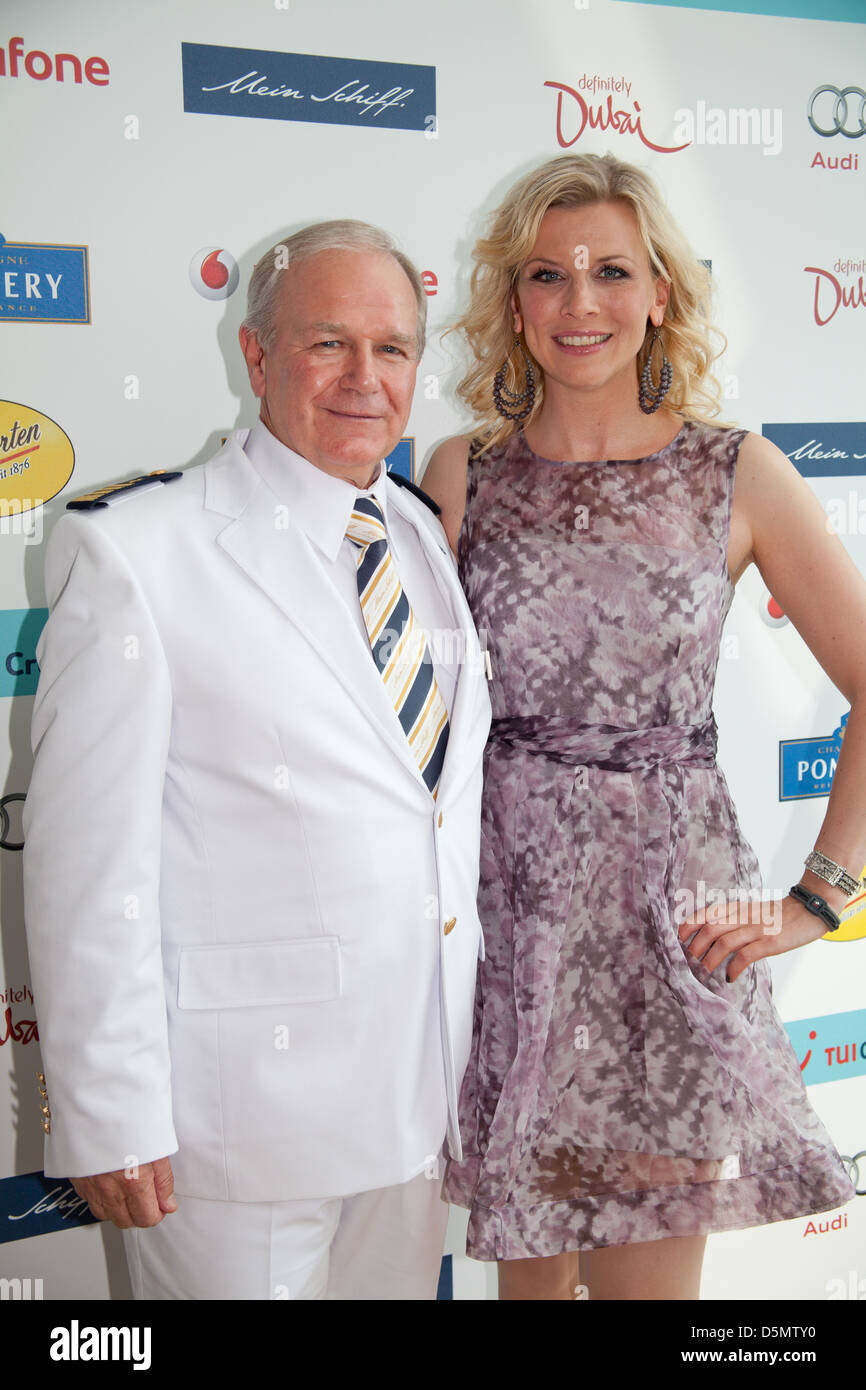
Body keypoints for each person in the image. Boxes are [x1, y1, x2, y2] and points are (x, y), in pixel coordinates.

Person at [23, 219, 492, 1301]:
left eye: (392, 350)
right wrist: (108, 1107)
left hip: (417, 1102)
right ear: (257, 357)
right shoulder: (140, 550)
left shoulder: (420, 536)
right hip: (230, 1127)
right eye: (327, 343)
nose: (363, 379)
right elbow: (90, 863)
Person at [422, 154, 861, 1301]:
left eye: (611, 271)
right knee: (527, 1289)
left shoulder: (736, 471)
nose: (580, 304)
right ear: (510, 301)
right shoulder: (460, 475)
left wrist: (819, 896)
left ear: (660, 290)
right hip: (506, 921)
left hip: (672, 926)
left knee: (643, 1298)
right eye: (546, 275)